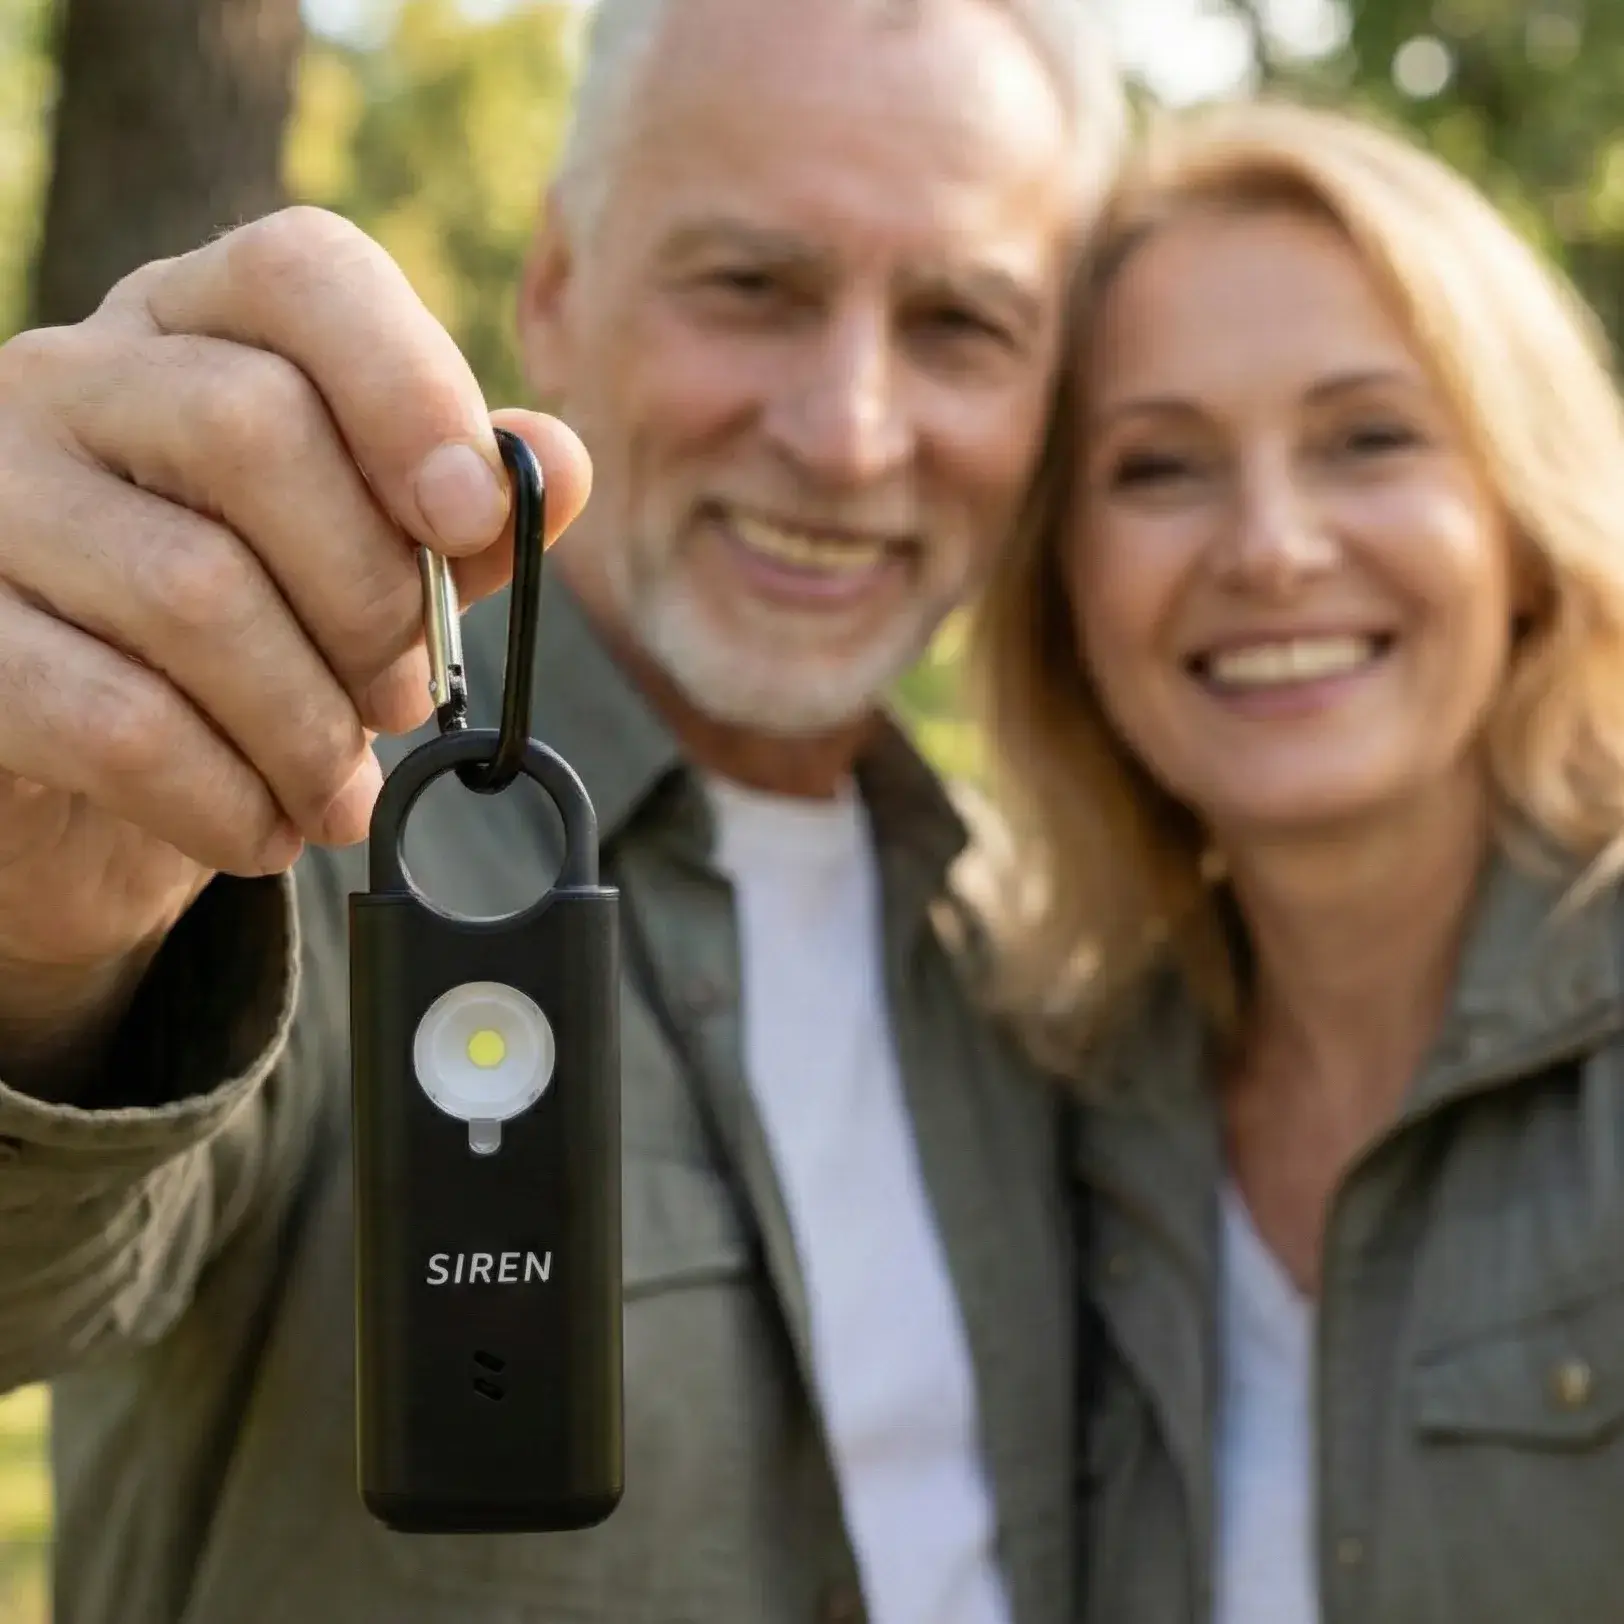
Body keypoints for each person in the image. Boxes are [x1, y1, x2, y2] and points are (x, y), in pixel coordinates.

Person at [0, 1, 1126, 1621]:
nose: (850, 431)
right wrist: (37, 939)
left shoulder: (1037, 947)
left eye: (962, 322)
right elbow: (42, 1259)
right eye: (752, 285)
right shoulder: (280, 824)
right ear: (556, 291)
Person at [969, 94, 1624, 1624]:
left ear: (1518, 523)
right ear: (1063, 583)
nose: (1269, 547)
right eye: (1160, 467)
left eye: (1368, 439)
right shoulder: (1053, 1096)